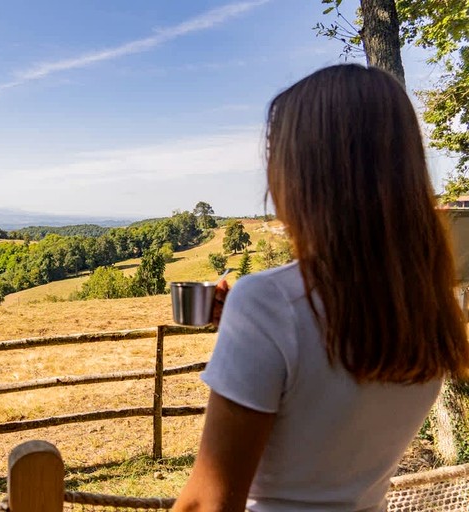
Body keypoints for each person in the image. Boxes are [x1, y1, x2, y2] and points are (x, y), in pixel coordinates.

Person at [172, 64, 469, 512]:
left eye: (274, 153)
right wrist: (252, 331)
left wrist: (260, 318)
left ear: (304, 172)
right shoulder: (427, 304)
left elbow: (207, 503)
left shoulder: (269, 302)